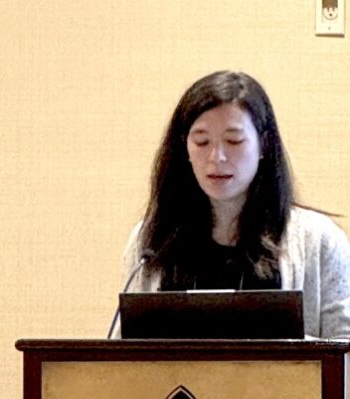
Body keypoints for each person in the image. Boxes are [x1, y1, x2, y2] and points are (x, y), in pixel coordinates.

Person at [122, 70, 350, 338]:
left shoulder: (318, 240)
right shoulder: (150, 242)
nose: (216, 157)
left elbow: (343, 349)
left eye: (234, 141)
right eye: (201, 141)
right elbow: (126, 350)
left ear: (264, 144)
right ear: (184, 147)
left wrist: (285, 350)